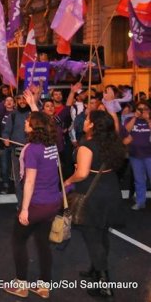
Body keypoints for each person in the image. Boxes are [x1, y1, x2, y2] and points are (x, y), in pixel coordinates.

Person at [64, 110, 126, 298]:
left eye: (87, 119)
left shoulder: (87, 145)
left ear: (92, 125)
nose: (84, 121)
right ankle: (95, 268)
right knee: (102, 232)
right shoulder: (112, 141)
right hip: (110, 190)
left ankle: (103, 281)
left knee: (93, 237)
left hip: (92, 194)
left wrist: (68, 180)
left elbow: (82, 173)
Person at [2, 112, 62, 298]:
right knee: (43, 242)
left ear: (34, 126)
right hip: (53, 202)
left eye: (28, 120)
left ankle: (21, 285)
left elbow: (29, 181)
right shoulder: (51, 145)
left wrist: (25, 209)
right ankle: (44, 285)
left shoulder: (32, 149)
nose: (25, 122)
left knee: (18, 240)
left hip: (37, 203)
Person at [122, 101, 151, 210]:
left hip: (149, 155)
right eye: (140, 109)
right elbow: (126, 131)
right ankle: (140, 201)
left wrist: (148, 119)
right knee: (139, 180)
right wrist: (135, 117)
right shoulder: (130, 119)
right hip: (135, 155)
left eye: (145, 108)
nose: (142, 111)